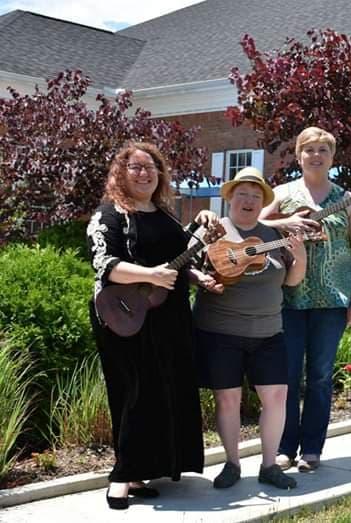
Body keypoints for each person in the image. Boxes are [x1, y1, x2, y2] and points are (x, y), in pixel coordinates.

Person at [87, 142, 214, 510]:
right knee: (134, 391)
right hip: (123, 314)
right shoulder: (111, 214)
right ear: (121, 173)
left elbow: (176, 263)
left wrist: (198, 277)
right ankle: (121, 478)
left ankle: (146, 470)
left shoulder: (165, 214)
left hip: (170, 316)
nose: (144, 173)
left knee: (166, 390)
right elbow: (104, 262)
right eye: (135, 167)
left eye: (151, 167)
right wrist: (150, 275)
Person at [258, 126, 351, 472]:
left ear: (332, 157)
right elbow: (255, 222)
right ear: (299, 155)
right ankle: (285, 447)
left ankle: (312, 449)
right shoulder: (283, 193)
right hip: (290, 298)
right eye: (309, 150)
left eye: (323, 150)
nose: (316, 156)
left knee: (320, 376)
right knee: (288, 375)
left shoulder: (346, 200)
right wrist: (288, 220)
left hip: (332, 300)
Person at [192, 166, 306, 490]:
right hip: (220, 332)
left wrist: (299, 255)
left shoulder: (272, 235)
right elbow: (187, 264)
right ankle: (231, 464)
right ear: (229, 197)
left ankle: (269, 465)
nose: (249, 200)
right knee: (228, 400)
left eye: (256, 196)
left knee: (277, 396)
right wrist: (199, 276)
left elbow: (293, 280)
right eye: (242, 193)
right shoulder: (212, 230)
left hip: (269, 332)